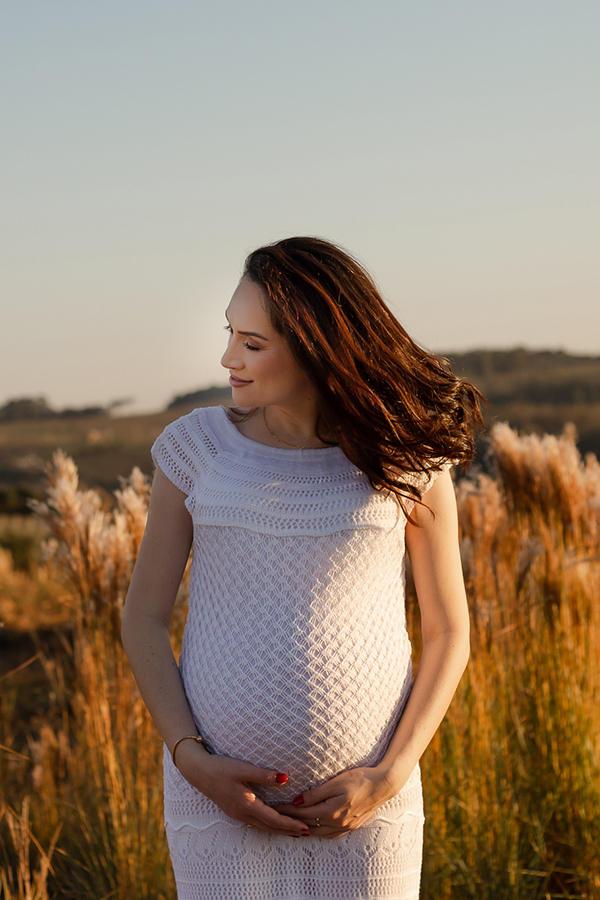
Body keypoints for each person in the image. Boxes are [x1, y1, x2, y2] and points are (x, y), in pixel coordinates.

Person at [122, 236, 483, 899]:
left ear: (318, 346)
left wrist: (390, 775)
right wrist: (191, 759)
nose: (229, 358)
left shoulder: (407, 457)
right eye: (231, 334)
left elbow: (449, 631)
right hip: (218, 804)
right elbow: (143, 617)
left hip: (367, 808)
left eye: (253, 343)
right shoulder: (196, 450)